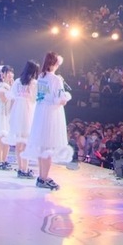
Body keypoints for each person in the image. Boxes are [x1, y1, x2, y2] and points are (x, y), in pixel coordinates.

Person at [25, 51, 73, 190]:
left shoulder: (41, 77)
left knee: (42, 146)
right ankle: (44, 177)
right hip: (52, 114)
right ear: (54, 63)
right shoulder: (56, 79)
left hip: (40, 112)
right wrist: (67, 96)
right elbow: (60, 99)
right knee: (49, 146)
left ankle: (42, 176)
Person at [7, 60, 38, 174]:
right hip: (28, 111)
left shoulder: (17, 81)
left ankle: (21, 168)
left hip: (17, 111)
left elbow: (12, 97)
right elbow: (36, 98)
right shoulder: (34, 83)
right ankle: (24, 169)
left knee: (19, 142)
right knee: (25, 142)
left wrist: (10, 113)